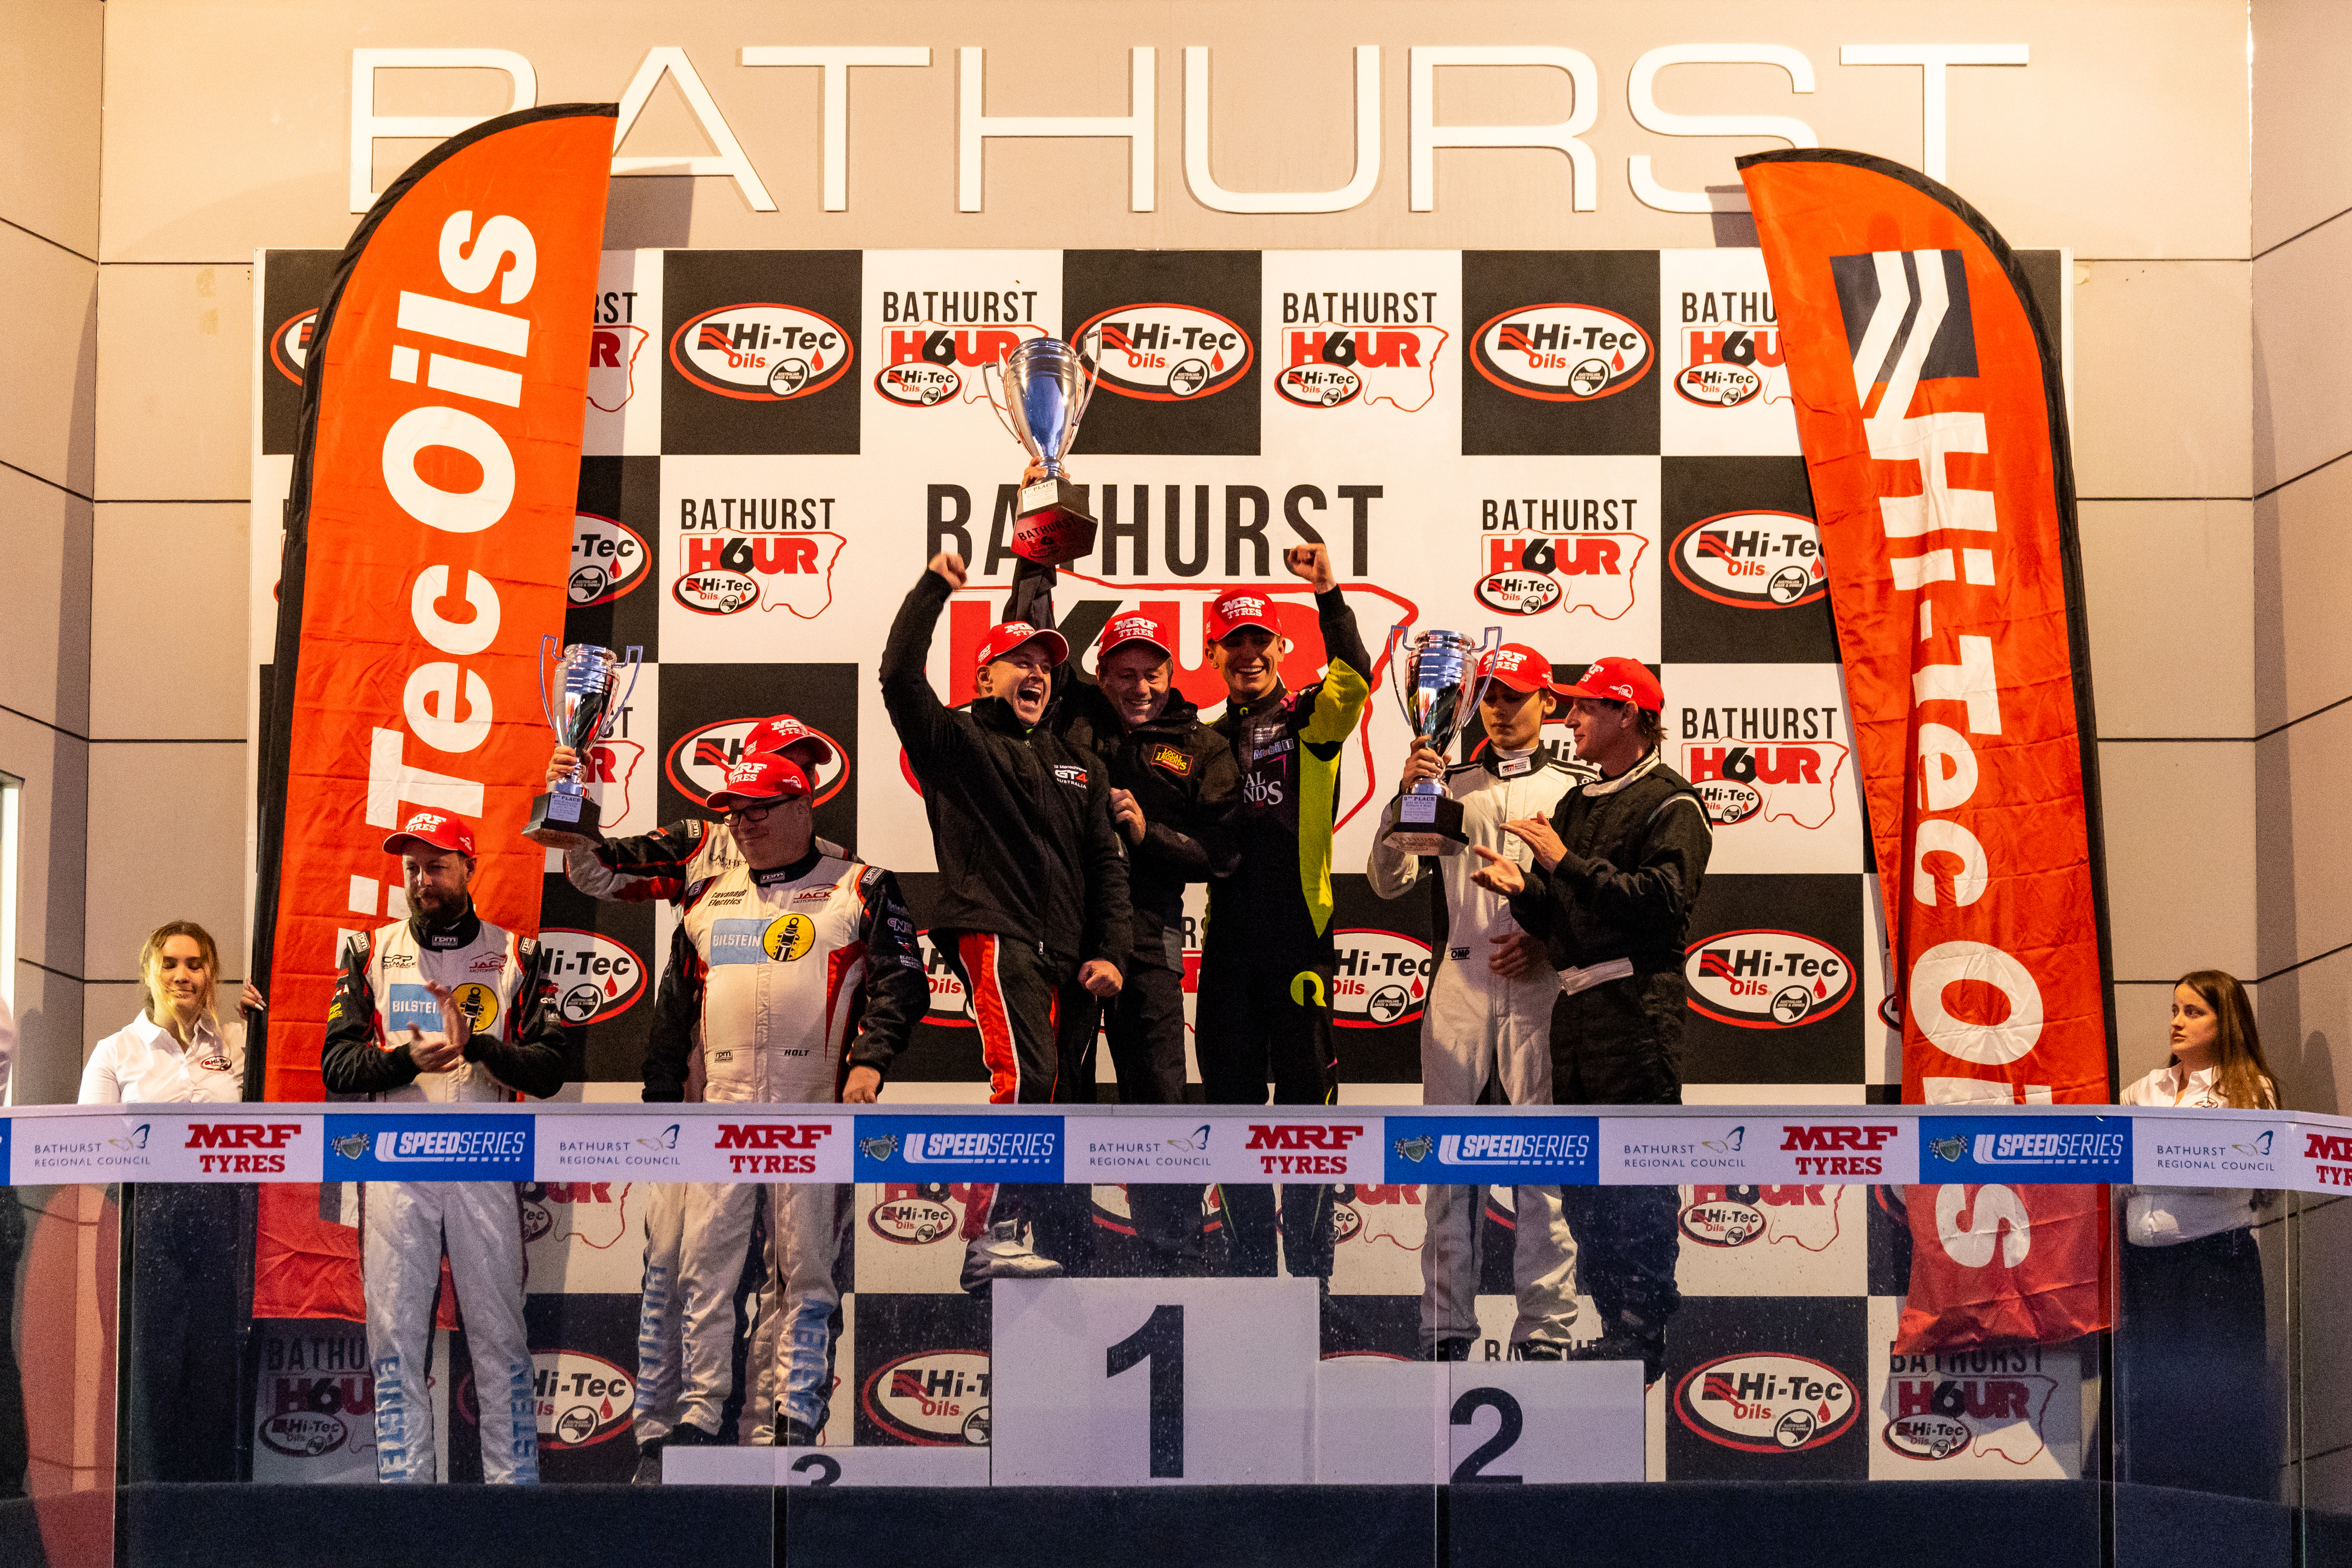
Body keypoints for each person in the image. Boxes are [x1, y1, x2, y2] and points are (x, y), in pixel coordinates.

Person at [542, 714, 840, 1466]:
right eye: (780, 755)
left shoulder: (838, 870)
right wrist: (571, 798)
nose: (793, 769)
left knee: (792, 1272)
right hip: (698, 1099)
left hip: (802, 1107)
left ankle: (774, 1429)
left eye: (805, 762)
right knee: (674, 1266)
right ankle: (657, 1433)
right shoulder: (701, 841)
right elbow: (596, 874)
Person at [639, 753, 924, 1461]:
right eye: (734, 810)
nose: (743, 821)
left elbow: (904, 983)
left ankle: (792, 1415)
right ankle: (701, 1414)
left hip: (815, 1111)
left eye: (760, 807)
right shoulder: (706, 897)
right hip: (722, 1113)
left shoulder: (861, 885)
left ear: (804, 806)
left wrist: (869, 1061)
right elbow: (674, 1010)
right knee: (703, 1268)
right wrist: (657, 1101)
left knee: (805, 1269)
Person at [880, 552, 1130, 1288]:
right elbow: (898, 677)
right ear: (984, 679)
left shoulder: (1078, 765)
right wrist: (933, 589)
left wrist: (1111, 950)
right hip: (996, 931)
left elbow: (1107, 866)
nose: (1037, 674)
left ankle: (1021, 1231)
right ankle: (986, 1235)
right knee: (1022, 1079)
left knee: (1051, 1089)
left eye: (1046, 665)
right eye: (1017, 661)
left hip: (1074, 956)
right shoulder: (957, 743)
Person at [1470, 657, 1710, 1384]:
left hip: (1637, 1011)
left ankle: (1643, 1332)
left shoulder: (1675, 803)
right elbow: (1562, 908)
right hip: (1574, 1010)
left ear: (1630, 714)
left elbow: (1663, 903)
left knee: (1637, 1181)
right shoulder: (1577, 802)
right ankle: (1613, 1327)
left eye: (1585, 710)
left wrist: (1565, 863)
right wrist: (1523, 890)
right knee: (1585, 1183)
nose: (1568, 722)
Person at [1004, 559, 1240, 1272]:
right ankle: (1059, 1255)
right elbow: (1032, 632)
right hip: (1064, 940)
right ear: (1100, 676)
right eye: (1123, 673)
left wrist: (1150, 836)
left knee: (1161, 1103)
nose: (1139, 688)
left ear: (1172, 675)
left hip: (1149, 941)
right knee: (1060, 1095)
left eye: (1152, 673)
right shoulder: (1071, 715)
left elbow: (1225, 855)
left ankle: (1170, 1257)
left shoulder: (1204, 745)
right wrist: (1034, 545)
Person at [320, 812, 565, 1485]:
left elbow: (549, 1067)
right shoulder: (370, 953)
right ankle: (406, 1509)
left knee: (499, 1339)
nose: (422, 880)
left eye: (436, 866)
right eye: (412, 869)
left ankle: (514, 1505)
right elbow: (336, 1066)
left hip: (485, 1166)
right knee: (395, 1343)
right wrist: (406, 1060)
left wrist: (478, 1048)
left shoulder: (518, 954)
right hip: (397, 1170)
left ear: (468, 867)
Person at [1368, 644, 1589, 1359]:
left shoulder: (1581, 790)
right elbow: (1388, 881)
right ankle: (1444, 1329)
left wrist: (1551, 941)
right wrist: (1404, 797)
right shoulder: (1448, 781)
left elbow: (1596, 898)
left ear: (1549, 704)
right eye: (1487, 695)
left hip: (1540, 988)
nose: (1498, 708)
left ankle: (1547, 1332)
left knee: (1543, 1169)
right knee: (1444, 1167)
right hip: (1459, 981)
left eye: (1515, 695)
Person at [1197, 543, 1372, 1282]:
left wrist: (1328, 592)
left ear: (1280, 647)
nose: (1248, 655)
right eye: (1233, 644)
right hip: (1229, 939)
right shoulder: (1200, 735)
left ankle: (1311, 1275)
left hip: (1302, 935)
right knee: (1232, 1105)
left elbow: (1357, 676)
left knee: (1309, 1111)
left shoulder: (1313, 718)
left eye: (1259, 641)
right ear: (1214, 654)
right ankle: (1246, 1271)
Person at [80, 921, 263, 1483]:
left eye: (195, 964)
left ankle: (208, 1512)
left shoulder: (238, 1043)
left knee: (215, 1366)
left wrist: (265, 1029)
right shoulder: (117, 1051)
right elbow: (90, 1145)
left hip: (225, 1220)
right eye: (170, 963)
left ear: (212, 975)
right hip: (148, 1217)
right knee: (151, 1366)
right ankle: (148, 1505)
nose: (182, 975)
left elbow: (274, 1125)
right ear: (148, 972)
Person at [2116, 970, 2280, 1499]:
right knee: (2150, 1400)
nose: (2176, 1022)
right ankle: (2158, 1519)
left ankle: (2219, 1524)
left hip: (2214, 1263)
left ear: (2224, 1021)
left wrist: (2156, 1163)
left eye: (2192, 1012)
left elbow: (2234, 1174)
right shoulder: (2144, 1088)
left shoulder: (2248, 1089)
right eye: (2173, 1010)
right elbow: (2115, 1170)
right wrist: (2160, 1163)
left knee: (2212, 1404)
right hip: (2144, 1265)